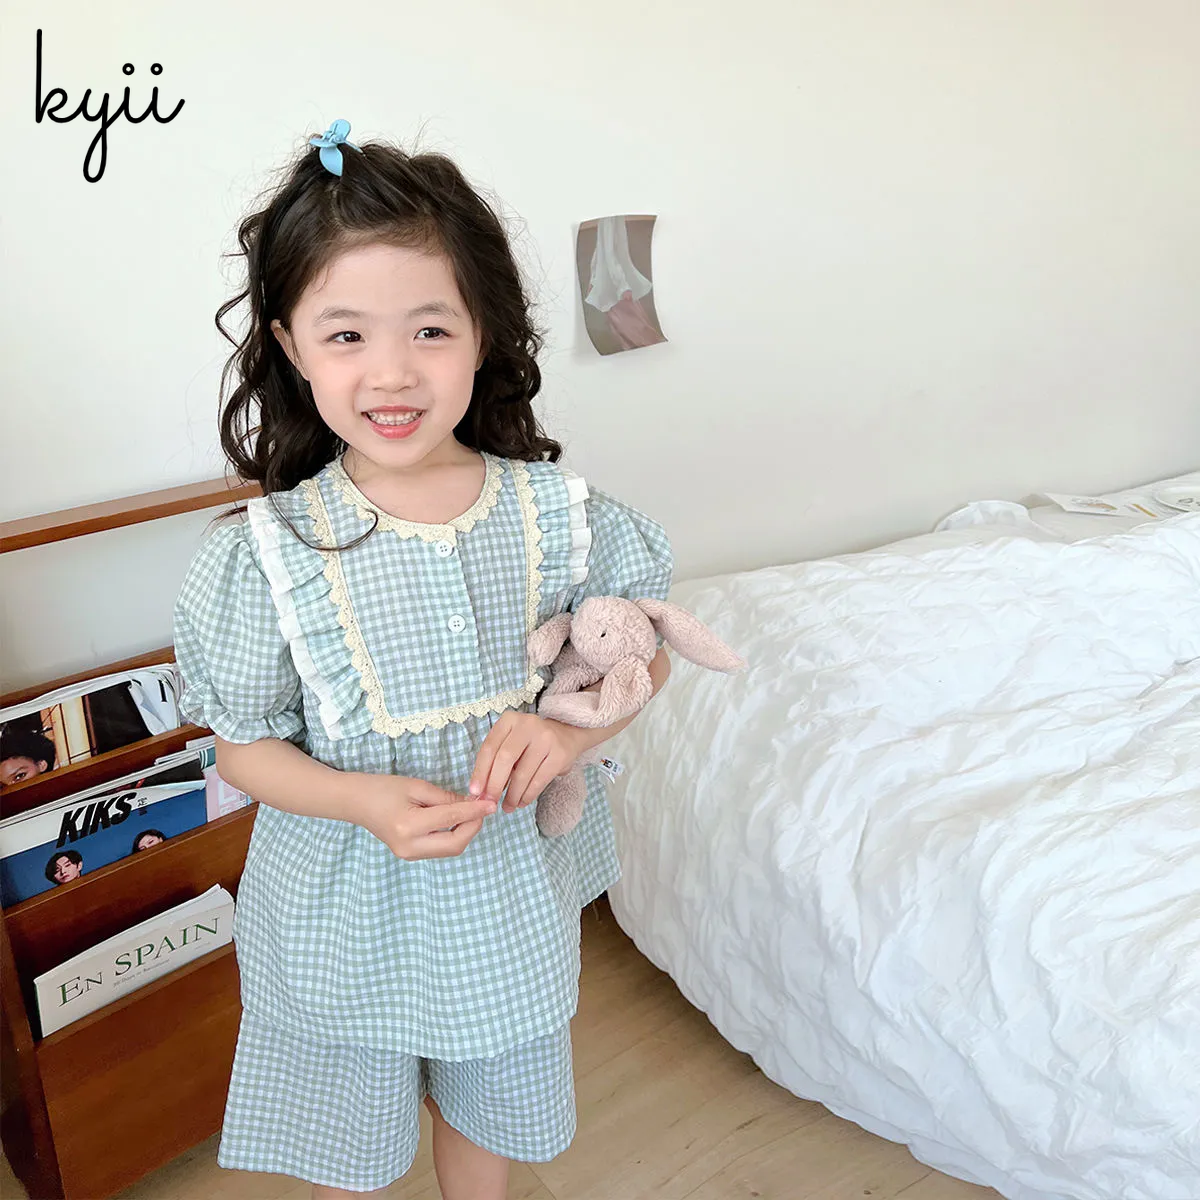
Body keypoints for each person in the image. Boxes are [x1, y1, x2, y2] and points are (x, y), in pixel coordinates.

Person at [173, 120, 673, 1200]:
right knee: (352, 1128)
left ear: (483, 333)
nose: (392, 372)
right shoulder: (264, 554)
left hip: (502, 899)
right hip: (341, 907)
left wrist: (566, 733)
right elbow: (244, 752)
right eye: (346, 334)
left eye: (430, 329)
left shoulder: (562, 516)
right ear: (290, 344)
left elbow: (638, 659)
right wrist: (361, 801)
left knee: (484, 1100)